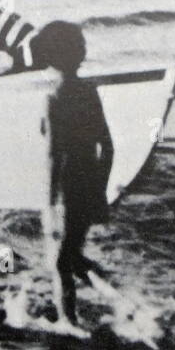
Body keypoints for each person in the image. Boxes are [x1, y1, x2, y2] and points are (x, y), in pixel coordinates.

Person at [31, 22, 113, 326]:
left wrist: (49, 204)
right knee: (74, 257)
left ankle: (68, 323)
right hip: (89, 184)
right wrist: (100, 191)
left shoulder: (53, 98)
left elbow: (54, 155)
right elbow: (108, 147)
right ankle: (120, 299)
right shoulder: (89, 92)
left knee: (60, 263)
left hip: (66, 189)